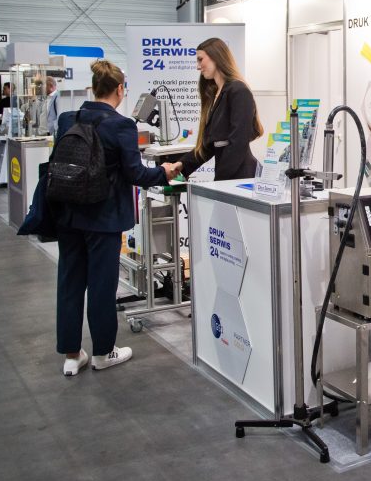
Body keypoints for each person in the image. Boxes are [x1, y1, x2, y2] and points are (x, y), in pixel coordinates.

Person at [55, 60, 179, 376]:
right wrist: (164, 172)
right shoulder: (121, 125)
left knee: (70, 283)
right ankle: (103, 352)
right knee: (101, 285)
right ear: (120, 89)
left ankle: (72, 355)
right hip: (103, 217)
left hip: (67, 213)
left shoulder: (67, 119)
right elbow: (135, 173)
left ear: (93, 87)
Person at [175, 37, 263, 181]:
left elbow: (238, 143)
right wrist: (181, 165)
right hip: (228, 177)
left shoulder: (238, 90)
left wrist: (219, 182)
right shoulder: (215, 95)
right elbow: (208, 146)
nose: (198, 67)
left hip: (242, 178)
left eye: (200, 59)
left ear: (216, 56)